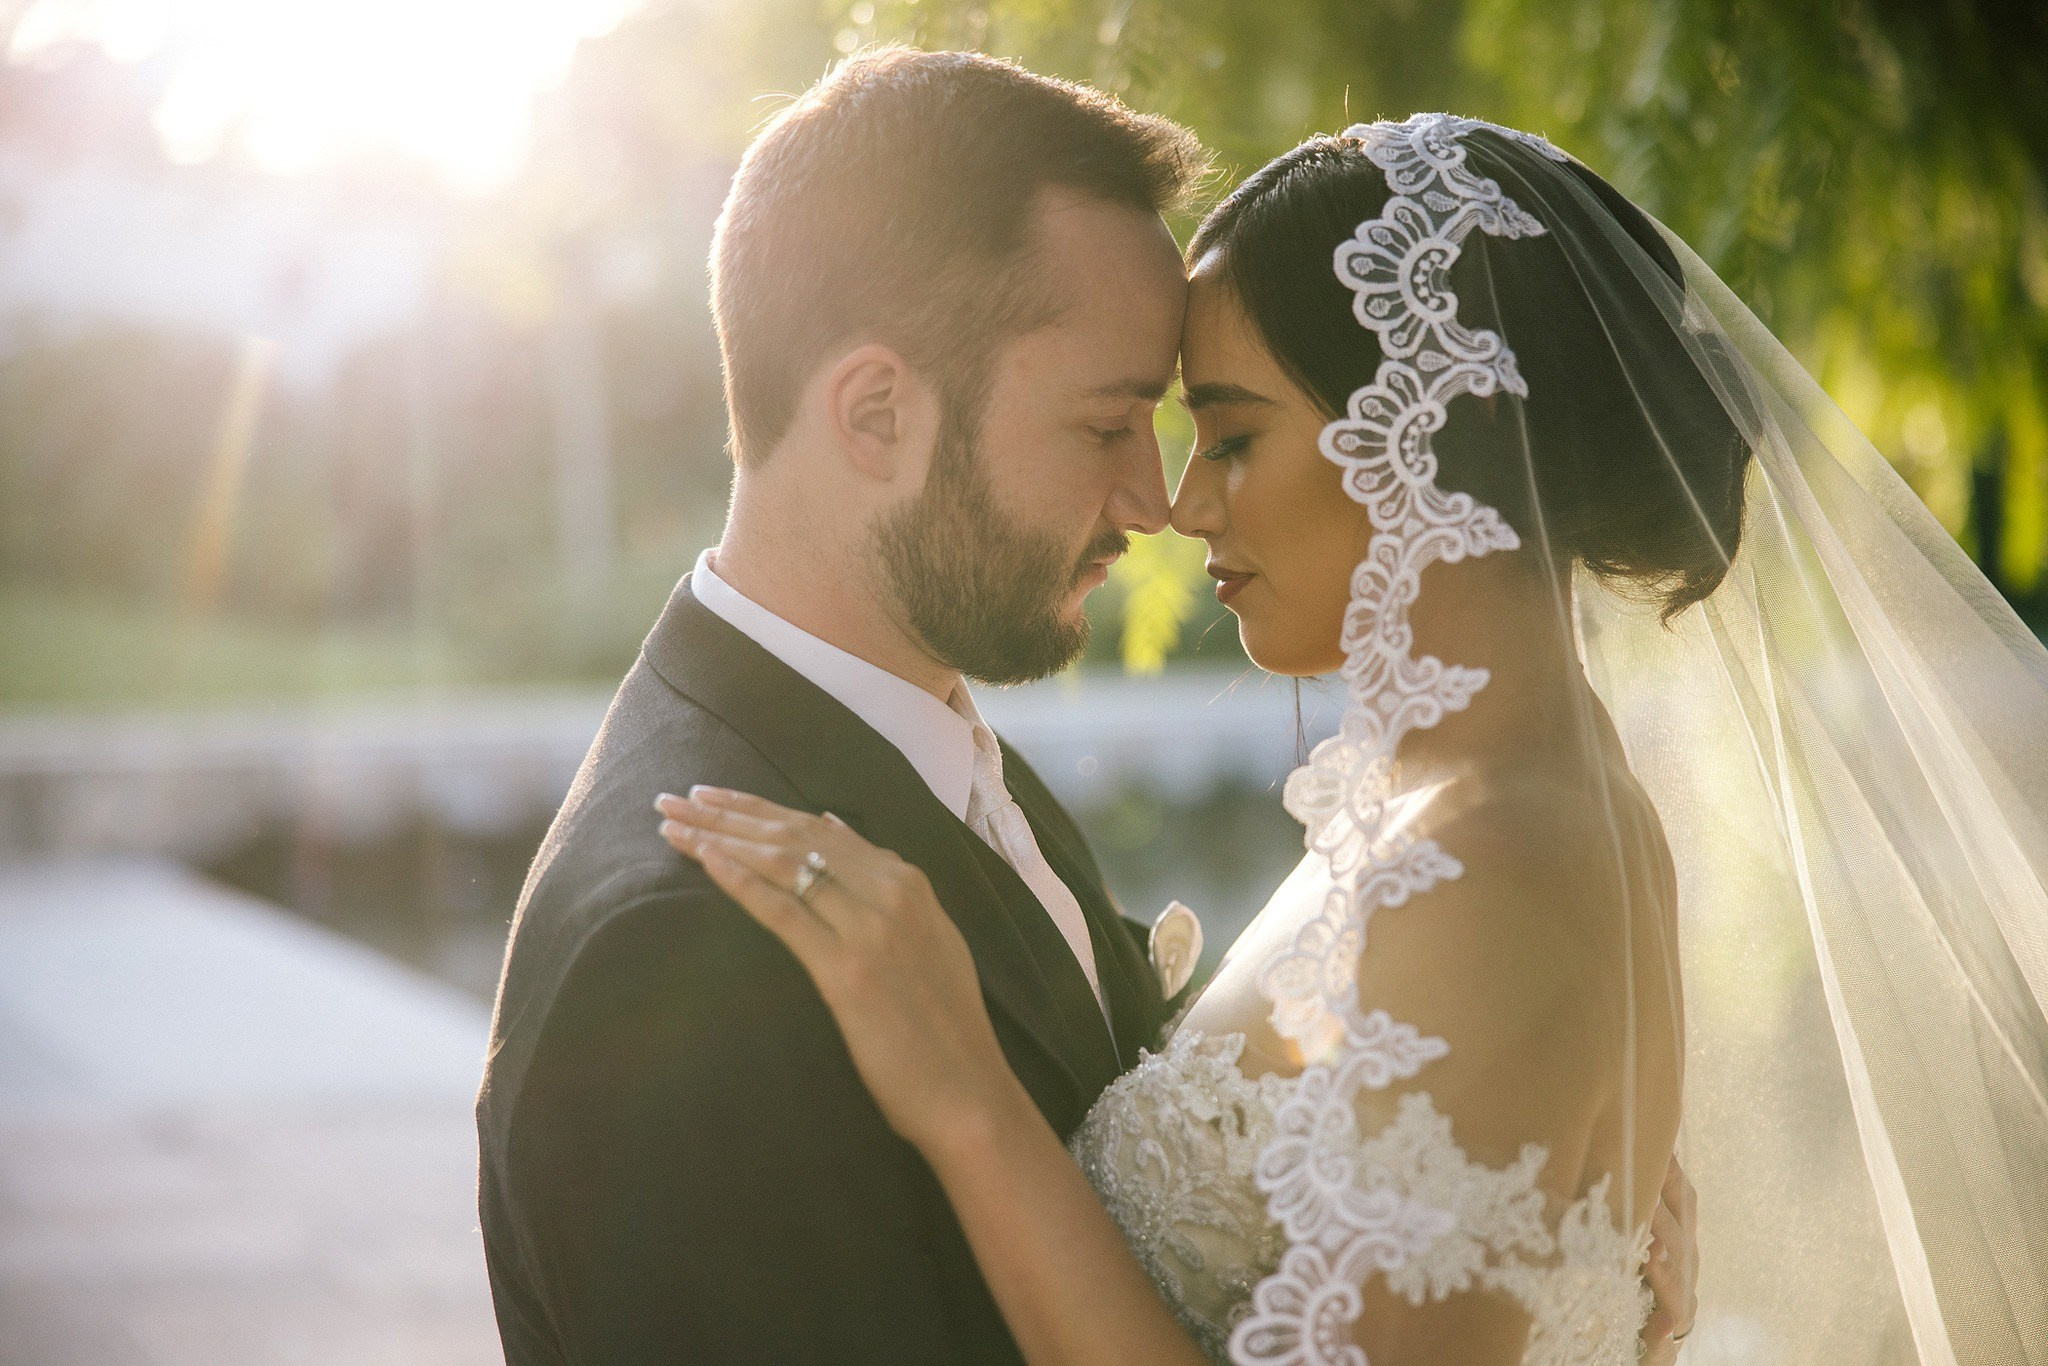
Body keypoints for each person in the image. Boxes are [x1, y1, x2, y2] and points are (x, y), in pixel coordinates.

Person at [658, 112, 2048, 1365]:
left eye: (1232, 437)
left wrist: (972, 1105)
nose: (1182, 504)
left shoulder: (1492, 869)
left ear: (1424, 438)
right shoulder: (1459, 806)